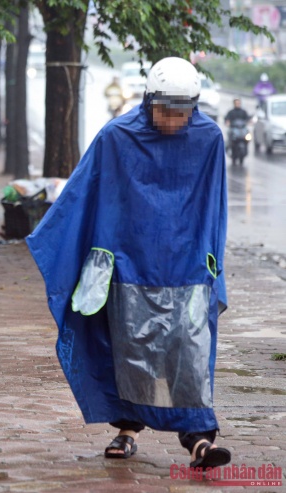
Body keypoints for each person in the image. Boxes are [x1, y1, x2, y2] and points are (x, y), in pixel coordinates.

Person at [26, 57, 231, 470]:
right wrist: (58, 238)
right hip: (128, 263)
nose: (174, 120)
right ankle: (127, 430)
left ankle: (199, 440)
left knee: (188, 351)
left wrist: (212, 262)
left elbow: (215, 206)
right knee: (127, 348)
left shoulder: (208, 138)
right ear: (148, 100)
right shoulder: (117, 137)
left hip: (186, 265)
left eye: (182, 112)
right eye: (165, 111)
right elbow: (85, 193)